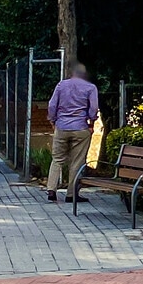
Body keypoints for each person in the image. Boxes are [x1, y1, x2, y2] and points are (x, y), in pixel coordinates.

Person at [46, 61, 101, 203]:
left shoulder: (61, 85)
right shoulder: (90, 87)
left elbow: (52, 105)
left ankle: (51, 190)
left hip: (62, 127)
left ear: (72, 73)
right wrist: (91, 122)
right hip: (80, 128)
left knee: (57, 159)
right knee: (77, 162)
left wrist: (53, 120)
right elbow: (94, 108)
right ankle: (71, 194)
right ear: (84, 75)